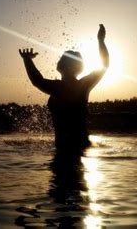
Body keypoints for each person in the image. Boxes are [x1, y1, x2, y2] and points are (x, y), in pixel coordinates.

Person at [19, 24, 109, 152]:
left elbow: (37, 81)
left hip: (66, 147)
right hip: (82, 145)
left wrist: (27, 60)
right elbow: (104, 65)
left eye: (61, 58)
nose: (59, 60)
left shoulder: (59, 88)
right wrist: (101, 41)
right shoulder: (83, 85)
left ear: (64, 65)